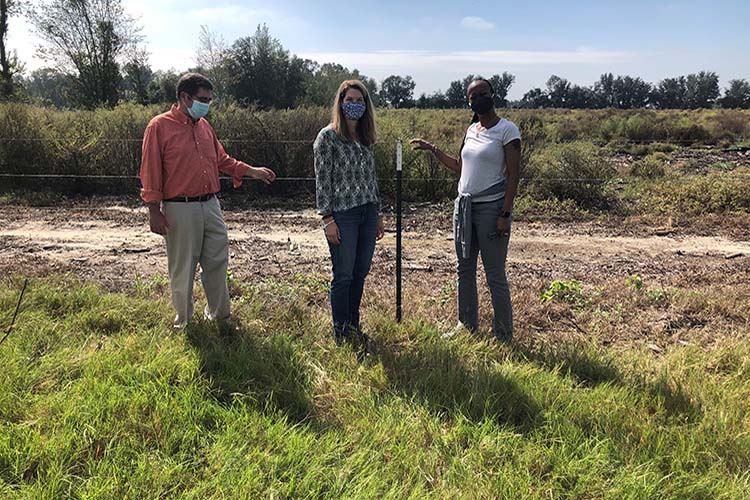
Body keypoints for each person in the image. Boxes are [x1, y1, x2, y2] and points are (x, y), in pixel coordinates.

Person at [140, 72, 276, 330]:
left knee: (217, 261)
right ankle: (185, 324)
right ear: (184, 97)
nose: (207, 104)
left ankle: (220, 318)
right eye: (203, 99)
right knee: (183, 268)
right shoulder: (158, 127)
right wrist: (153, 210)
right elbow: (150, 170)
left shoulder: (204, 126)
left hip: (211, 204)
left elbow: (222, 160)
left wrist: (251, 171)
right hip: (179, 208)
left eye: (210, 100)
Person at [410, 78, 521, 342]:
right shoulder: (471, 130)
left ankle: (503, 335)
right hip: (465, 209)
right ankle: (467, 325)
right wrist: (433, 150)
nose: (478, 99)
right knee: (465, 269)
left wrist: (505, 214)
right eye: (473, 97)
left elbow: (514, 175)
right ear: (468, 102)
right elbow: (461, 167)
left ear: (493, 95)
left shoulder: (507, 130)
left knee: (495, 275)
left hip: (491, 209)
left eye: (483, 93)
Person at [314, 80, 384, 347]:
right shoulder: (328, 137)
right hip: (343, 215)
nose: (354, 105)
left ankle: (353, 326)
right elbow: (323, 181)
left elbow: (371, 178)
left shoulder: (366, 139)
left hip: (367, 212)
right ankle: (340, 332)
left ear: (366, 106)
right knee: (343, 274)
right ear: (341, 104)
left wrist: (377, 213)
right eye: (350, 100)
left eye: (359, 101)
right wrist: (327, 219)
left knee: (360, 271)